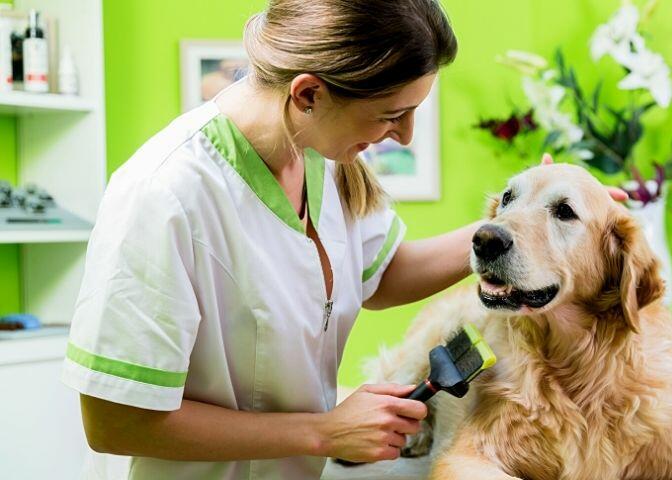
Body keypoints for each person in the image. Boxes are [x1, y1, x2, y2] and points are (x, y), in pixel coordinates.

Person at [61, 1, 626, 479]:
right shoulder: (165, 195)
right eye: (392, 114)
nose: (403, 135)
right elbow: (114, 421)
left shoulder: (321, 159)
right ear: (309, 95)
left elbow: (382, 276)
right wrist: (323, 431)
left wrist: (517, 234)